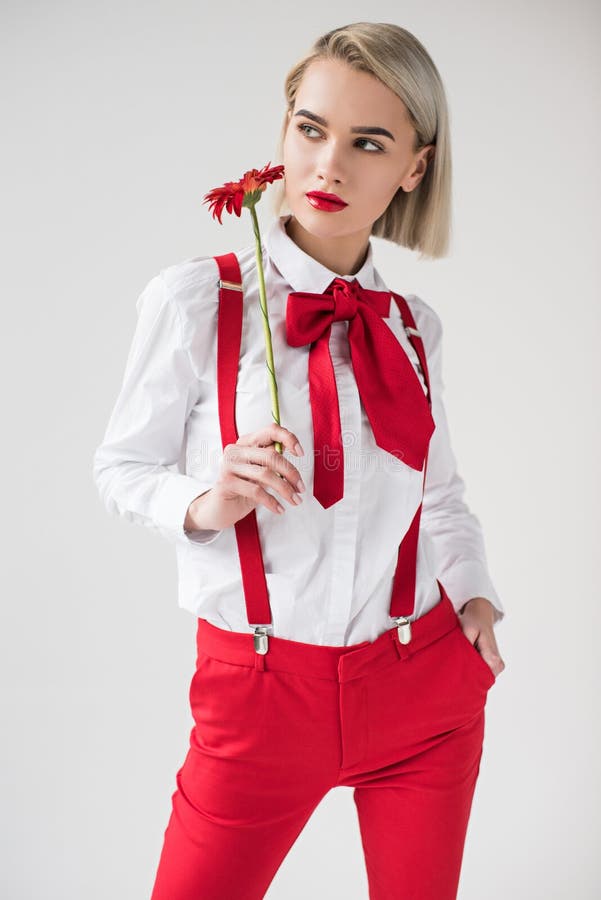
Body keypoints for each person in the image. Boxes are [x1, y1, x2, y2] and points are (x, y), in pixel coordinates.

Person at [93, 21, 507, 900]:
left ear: (413, 168)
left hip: (420, 690)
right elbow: (120, 467)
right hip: (258, 692)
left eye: (368, 142)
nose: (329, 166)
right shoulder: (198, 299)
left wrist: (472, 595)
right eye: (310, 130)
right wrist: (208, 502)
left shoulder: (410, 325)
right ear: (283, 134)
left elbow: (442, 493)